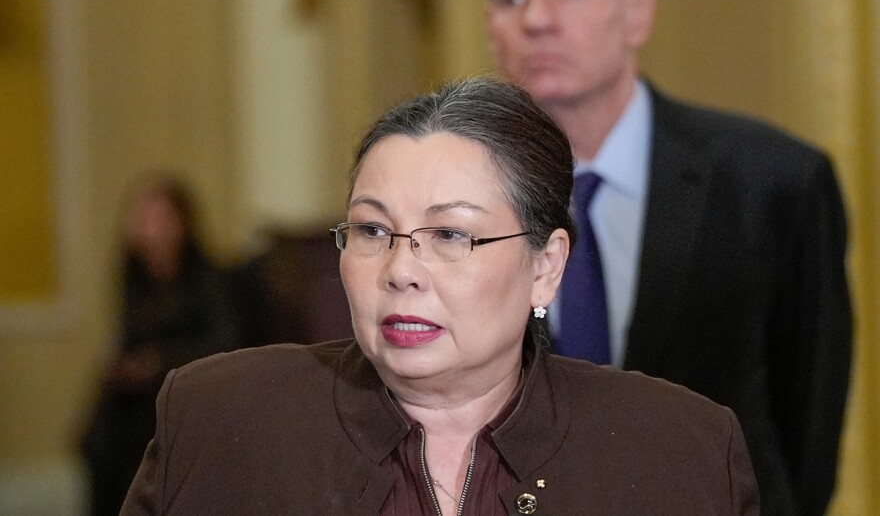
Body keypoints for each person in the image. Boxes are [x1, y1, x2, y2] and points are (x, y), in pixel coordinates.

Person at [120, 79, 759, 515]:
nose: (402, 269)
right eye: (373, 230)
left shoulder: (682, 451)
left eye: (451, 234)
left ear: (546, 266)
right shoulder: (221, 420)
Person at [481, 0, 852, 514]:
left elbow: (809, 424)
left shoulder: (773, 182)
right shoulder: (460, 204)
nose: (538, 19)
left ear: (636, 11)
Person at [80, 174, 241, 516]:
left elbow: (223, 343)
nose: (147, 229)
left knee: (134, 438)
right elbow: (127, 335)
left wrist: (157, 360)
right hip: (138, 390)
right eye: (140, 218)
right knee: (97, 438)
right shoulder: (134, 275)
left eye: (158, 218)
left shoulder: (206, 277)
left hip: (184, 386)